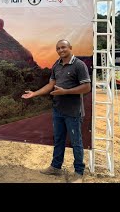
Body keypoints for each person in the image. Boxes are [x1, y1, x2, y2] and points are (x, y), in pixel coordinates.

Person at [21, 39, 91, 183]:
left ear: (70, 48)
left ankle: (79, 172)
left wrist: (66, 92)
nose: (61, 50)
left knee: (76, 142)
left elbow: (87, 87)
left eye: (63, 47)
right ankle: (55, 167)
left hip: (73, 112)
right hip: (58, 110)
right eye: (58, 48)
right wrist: (35, 93)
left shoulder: (79, 65)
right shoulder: (56, 65)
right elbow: (51, 84)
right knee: (58, 140)